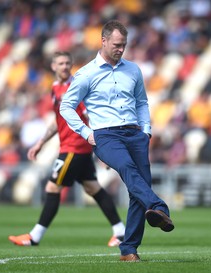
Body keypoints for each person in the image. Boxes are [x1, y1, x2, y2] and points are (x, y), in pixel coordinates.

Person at [59, 20, 174, 262]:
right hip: (105, 135)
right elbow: (66, 106)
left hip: (135, 134)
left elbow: (142, 102)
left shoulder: (133, 70)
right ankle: (160, 207)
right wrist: (85, 132)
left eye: (124, 45)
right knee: (127, 168)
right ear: (103, 41)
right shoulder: (86, 74)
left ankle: (129, 250)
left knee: (137, 190)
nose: (121, 49)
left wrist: (146, 131)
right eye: (117, 44)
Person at [8, 51, 125, 247]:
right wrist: (41, 142)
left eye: (67, 63)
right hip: (71, 146)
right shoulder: (55, 88)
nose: (64, 66)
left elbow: (93, 116)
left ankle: (34, 237)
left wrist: (103, 149)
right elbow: (58, 121)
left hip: (74, 147)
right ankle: (120, 230)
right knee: (92, 187)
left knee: (52, 187)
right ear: (53, 67)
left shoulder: (76, 87)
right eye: (60, 63)